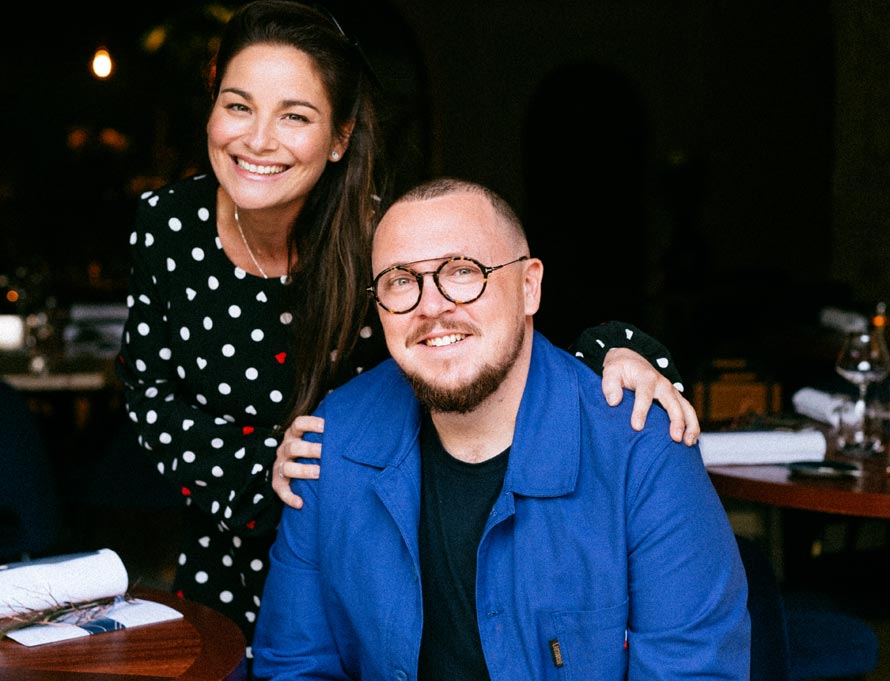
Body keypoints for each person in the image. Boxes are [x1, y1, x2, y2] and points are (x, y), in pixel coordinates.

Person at [115, 0, 699, 666]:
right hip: (240, 530)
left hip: (371, 540)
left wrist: (620, 353)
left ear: (339, 139)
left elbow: (484, 317)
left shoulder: (375, 237)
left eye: (295, 115)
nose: (258, 139)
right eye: (239, 106)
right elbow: (149, 391)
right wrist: (258, 470)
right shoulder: (166, 224)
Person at [252, 178, 749, 679]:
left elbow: (693, 670)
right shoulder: (332, 436)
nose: (431, 306)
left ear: (529, 287)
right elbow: (294, 664)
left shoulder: (641, 445)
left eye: (463, 271)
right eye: (400, 281)